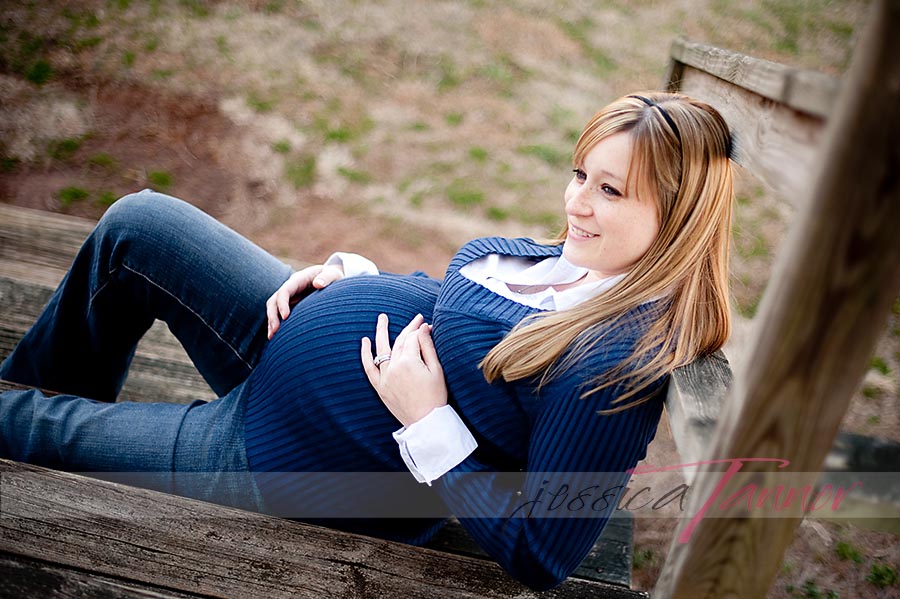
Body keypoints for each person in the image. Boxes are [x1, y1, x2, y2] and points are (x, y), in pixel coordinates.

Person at [0, 91, 734, 590]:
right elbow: (460, 312)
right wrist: (350, 277)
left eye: (610, 191)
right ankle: (56, 413)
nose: (577, 202)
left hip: (291, 460)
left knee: (31, 426)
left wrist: (429, 422)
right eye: (580, 174)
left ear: (679, 214)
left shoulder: (615, 364)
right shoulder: (586, 260)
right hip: (289, 346)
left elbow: (543, 555)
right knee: (139, 225)